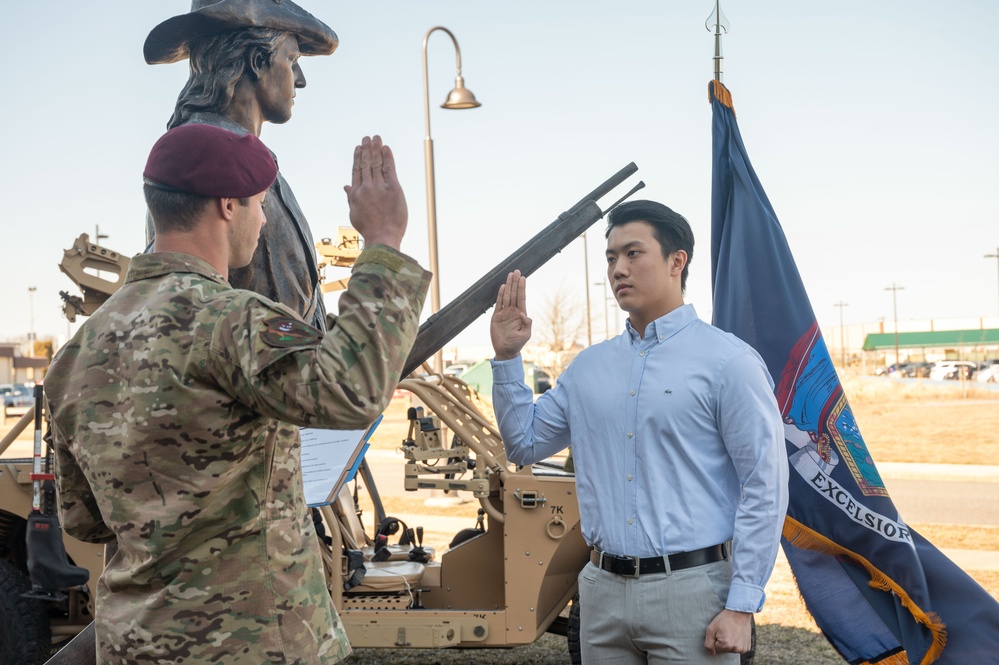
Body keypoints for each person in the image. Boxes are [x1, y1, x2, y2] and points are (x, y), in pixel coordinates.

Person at [44, 125, 430, 664]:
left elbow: (84, 521)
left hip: (136, 646)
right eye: (259, 203)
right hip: (252, 644)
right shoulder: (235, 320)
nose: (265, 218)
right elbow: (353, 389)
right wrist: (384, 243)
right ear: (228, 205)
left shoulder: (73, 357)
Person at [489, 200, 789, 663]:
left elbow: (764, 486)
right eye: (611, 258)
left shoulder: (729, 363)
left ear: (677, 261)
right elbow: (524, 443)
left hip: (693, 594)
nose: (618, 269)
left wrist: (741, 605)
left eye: (633, 254)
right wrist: (508, 358)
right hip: (601, 592)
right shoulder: (589, 367)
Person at [143, 0, 341, 330]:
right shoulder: (200, 167)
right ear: (256, 61)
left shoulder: (248, 162)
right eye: (291, 60)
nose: (300, 79)